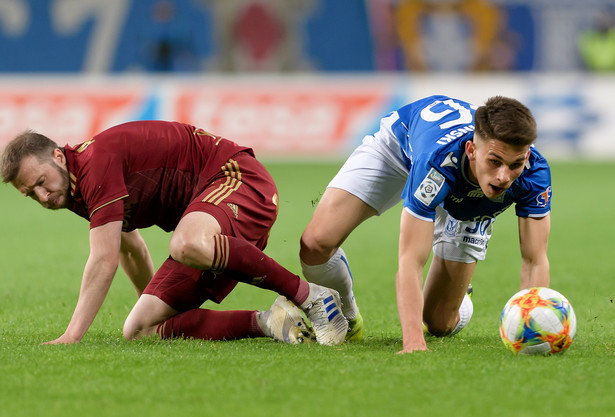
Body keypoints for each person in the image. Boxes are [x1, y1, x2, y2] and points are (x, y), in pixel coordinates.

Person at [1, 121, 348, 346]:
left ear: (59, 157)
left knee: (186, 243)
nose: (43, 197)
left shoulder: (94, 165)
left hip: (236, 178)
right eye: (31, 194)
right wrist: (156, 301)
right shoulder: (75, 188)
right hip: (207, 222)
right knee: (138, 328)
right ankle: (269, 322)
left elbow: (104, 258)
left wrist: (71, 336)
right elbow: (129, 248)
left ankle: (311, 296)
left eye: (42, 183)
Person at [299, 95, 551, 353]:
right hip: (399, 150)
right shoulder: (436, 164)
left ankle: (459, 292)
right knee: (316, 243)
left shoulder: (534, 172)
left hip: (471, 203)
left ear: (527, 156)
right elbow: (410, 260)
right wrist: (413, 342)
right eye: (495, 161)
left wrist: (536, 331)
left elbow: (535, 260)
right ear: (472, 150)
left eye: (515, 165)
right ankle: (348, 317)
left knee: (440, 323)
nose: (503, 177)